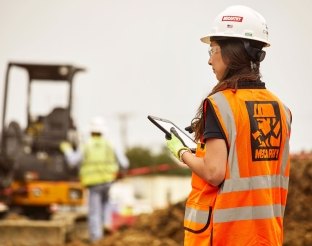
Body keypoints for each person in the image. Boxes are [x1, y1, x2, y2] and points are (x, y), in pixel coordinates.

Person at [165, 5, 292, 246]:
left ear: (232, 52)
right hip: (267, 236)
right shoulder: (281, 109)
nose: (209, 60)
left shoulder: (219, 105)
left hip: (225, 236)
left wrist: (182, 152)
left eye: (213, 50)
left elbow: (214, 173)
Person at [61, 116, 122, 242]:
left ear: (90, 131)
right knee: (106, 203)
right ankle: (107, 223)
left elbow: (73, 161)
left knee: (94, 211)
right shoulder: (110, 144)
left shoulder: (86, 145)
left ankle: (97, 239)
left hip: (93, 183)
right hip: (108, 180)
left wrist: (66, 149)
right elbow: (124, 163)